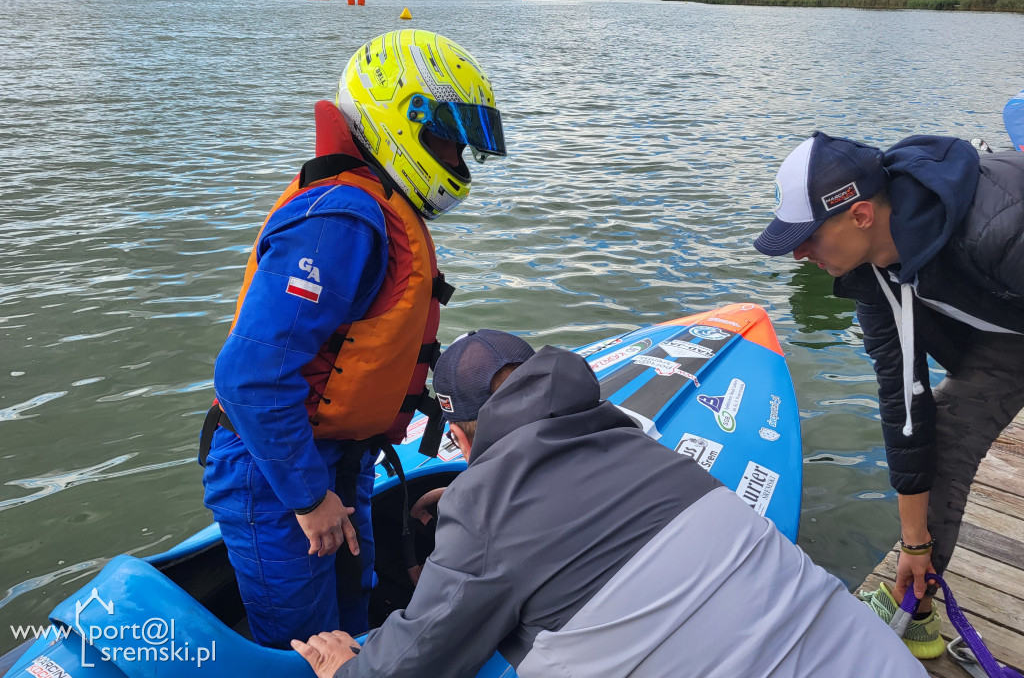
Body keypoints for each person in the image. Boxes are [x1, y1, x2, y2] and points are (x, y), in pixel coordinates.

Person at [293, 329, 929, 677]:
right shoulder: (641, 445)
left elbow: (416, 661)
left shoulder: (484, 512)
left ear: (462, 437)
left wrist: (346, 669)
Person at [199, 30, 507, 648]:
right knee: (307, 643)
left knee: (353, 615)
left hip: (340, 457)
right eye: (448, 139)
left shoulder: (376, 208)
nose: (457, 162)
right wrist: (310, 499)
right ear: (401, 121)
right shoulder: (343, 219)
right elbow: (250, 377)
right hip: (277, 469)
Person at [753, 131, 1024, 658]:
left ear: (859, 216)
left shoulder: (1001, 227)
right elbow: (903, 403)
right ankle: (915, 612)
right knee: (939, 434)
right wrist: (915, 541)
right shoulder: (869, 273)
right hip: (1007, 335)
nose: (799, 255)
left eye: (807, 238)